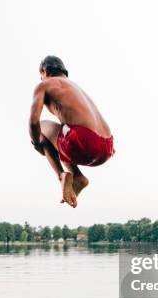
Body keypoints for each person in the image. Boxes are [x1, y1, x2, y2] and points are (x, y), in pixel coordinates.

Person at [29, 55, 114, 208]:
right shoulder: (76, 88)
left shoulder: (45, 85)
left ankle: (62, 175)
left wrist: (36, 143)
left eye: (41, 75)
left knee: (40, 130)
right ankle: (78, 176)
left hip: (84, 141)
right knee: (64, 134)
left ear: (45, 71)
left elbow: (33, 122)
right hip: (107, 146)